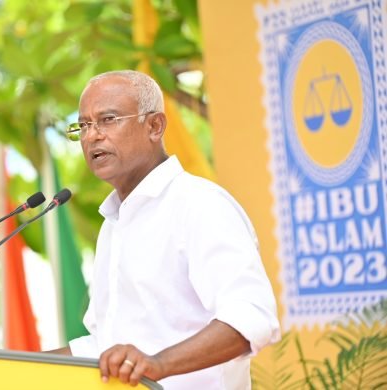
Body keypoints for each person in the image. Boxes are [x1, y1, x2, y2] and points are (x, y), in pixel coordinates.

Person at [52, 70, 280, 389]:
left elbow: (252, 318)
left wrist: (159, 364)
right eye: (85, 125)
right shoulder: (114, 223)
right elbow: (103, 345)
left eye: (107, 119)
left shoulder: (199, 204)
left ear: (155, 126)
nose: (92, 136)